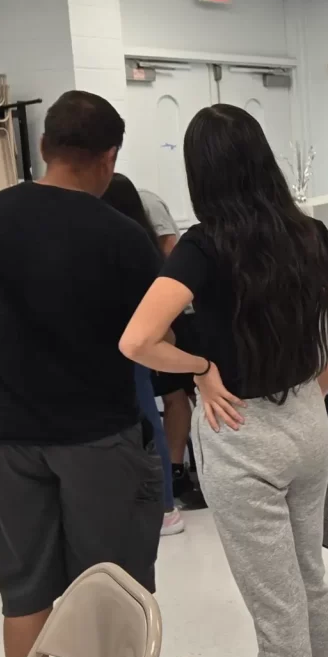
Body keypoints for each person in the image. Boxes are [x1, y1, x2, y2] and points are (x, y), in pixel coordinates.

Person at [120, 103, 328, 657]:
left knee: (278, 612)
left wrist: (198, 367)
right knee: (310, 584)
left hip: (239, 431)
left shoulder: (202, 246)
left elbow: (138, 340)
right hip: (305, 424)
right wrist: (320, 385)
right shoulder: (307, 233)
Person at [0, 91, 164, 657]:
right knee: (110, 589)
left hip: (7, 434)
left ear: (42, 146)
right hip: (98, 435)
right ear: (109, 156)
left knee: (23, 595)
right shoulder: (123, 237)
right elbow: (147, 340)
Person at [102, 174, 185, 536]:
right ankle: (163, 501)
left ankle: (165, 505)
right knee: (151, 417)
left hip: (133, 346)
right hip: (139, 343)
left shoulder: (127, 243)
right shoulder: (135, 239)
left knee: (150, 418)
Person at [138, 187, 201, 506]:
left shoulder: (145, 201)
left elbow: (172, 252)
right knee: (174, 395)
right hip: (155, 316)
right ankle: (174, 470)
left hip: (173, 314)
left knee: (182, 393)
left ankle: (178, 469)